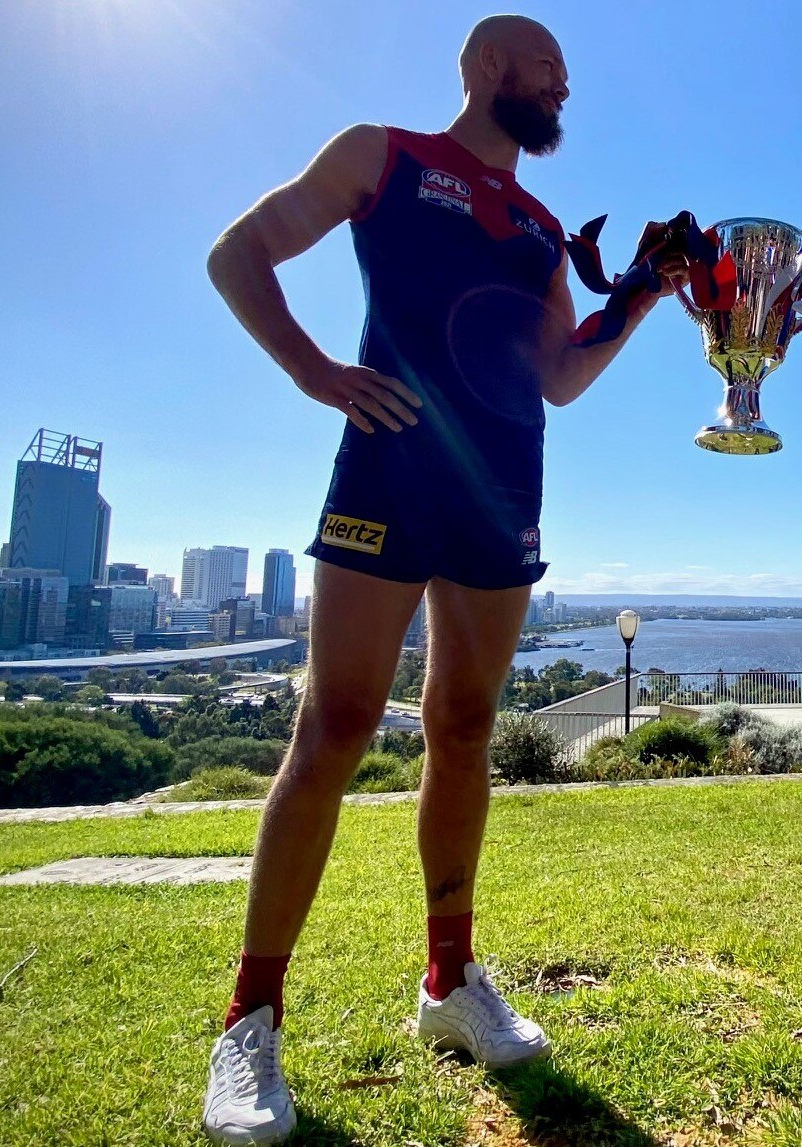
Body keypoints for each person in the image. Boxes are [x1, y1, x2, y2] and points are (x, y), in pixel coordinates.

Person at [201, 16, 685, 1144]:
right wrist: (318, 371)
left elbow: (561, 376)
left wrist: (644, 297)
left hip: (503, 486)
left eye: (566, 77)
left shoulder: (542, 222)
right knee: (333, 727)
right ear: (482, 68)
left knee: (463, 726)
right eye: (544, 66)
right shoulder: (386, 154)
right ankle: (250, 1018)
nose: (562, 85)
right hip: (389, 463)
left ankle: (448, 982)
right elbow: (239, 254)